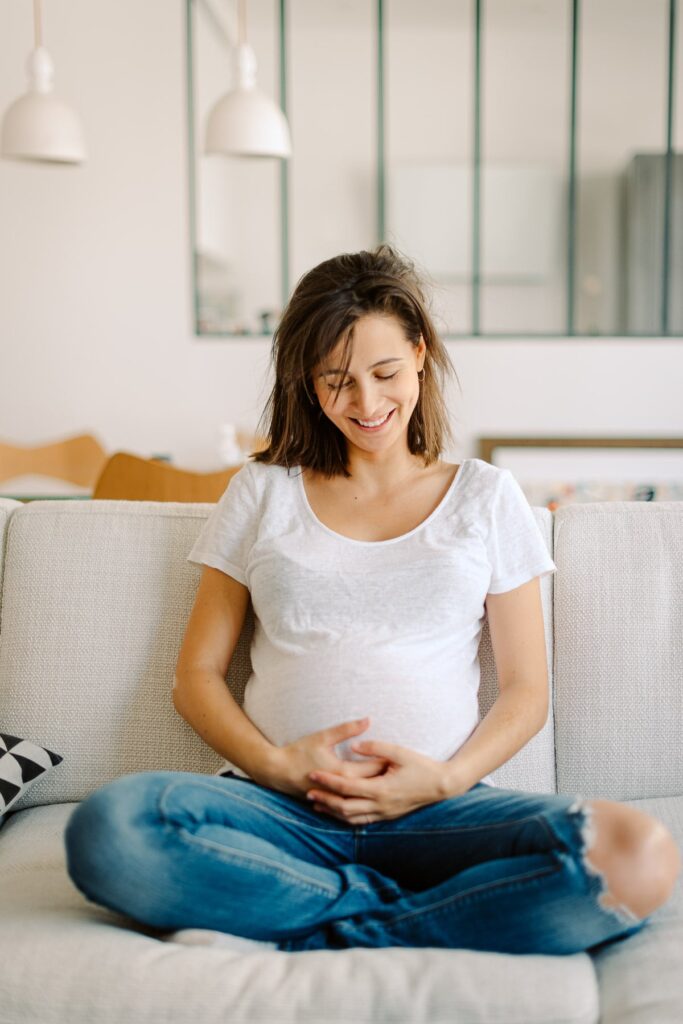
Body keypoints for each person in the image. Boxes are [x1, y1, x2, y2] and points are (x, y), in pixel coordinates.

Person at [64, 244, 680, 955]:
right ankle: (403, 917)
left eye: (385, 372)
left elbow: (524, 690)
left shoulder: (483, 497)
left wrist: (442, 780)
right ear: (306, 380)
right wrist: (276, 767)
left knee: (638, 855)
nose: (365, 403)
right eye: (336, 380)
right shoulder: (262, 492)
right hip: (278, 810)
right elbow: (195, 679)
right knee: (111, 828)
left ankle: (323, 919)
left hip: (437, 811)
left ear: (419, 353)